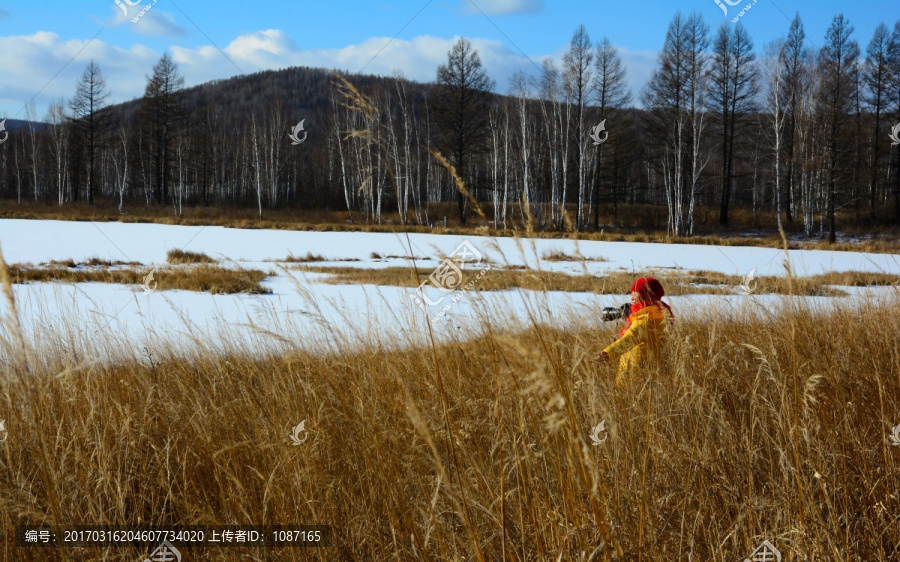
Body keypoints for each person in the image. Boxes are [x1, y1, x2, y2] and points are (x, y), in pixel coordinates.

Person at [595, 277, 674, 387]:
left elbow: (629, 338)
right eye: (632, 292)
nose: (632, 296)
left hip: (634, 371)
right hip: (648, 368)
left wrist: (606, 354)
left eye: (636, 292)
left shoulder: (645, 319)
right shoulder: (657, 312)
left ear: (646, 294)